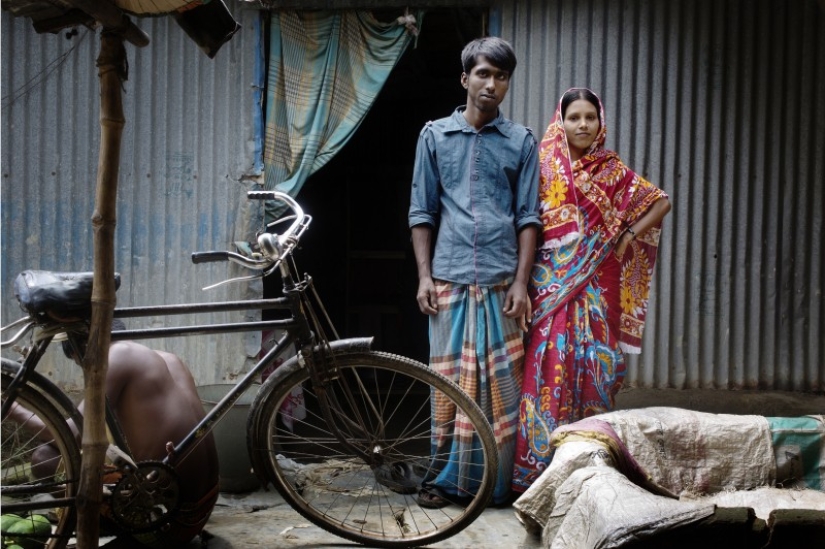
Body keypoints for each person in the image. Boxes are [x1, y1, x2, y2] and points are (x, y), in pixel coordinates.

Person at [511, 88, 672, 492]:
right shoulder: (545, 165)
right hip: (550, 287)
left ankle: (590, 472)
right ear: (560, 121)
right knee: (546, 367)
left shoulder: (612, 170)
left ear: (601, 122)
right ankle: (536, 472)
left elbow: (660, 202)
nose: (582, 125)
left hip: (598, 287)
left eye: (590, 117)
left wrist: (628, 234)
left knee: (594, 371)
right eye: (574, 117)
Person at [408, 36, 540, 508]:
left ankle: (497, 484)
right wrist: (424, 276)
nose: (491, 84)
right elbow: (421, 212)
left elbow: (529, 218)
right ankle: (444, 481)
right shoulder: (434, 136)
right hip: (449, 278)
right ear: (465, 78)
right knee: (447, 385)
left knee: (502, 392)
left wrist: (522, 283)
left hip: (504, 283)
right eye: (483, 74)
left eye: (500, 76)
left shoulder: (521, 141)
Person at [10, 321, 220, 548]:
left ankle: (91, 522)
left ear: (81, 349)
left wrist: (13, 409)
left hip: (166, 526)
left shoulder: (116, 357)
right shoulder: (166, 358)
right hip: (200, 512)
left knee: (44, 458)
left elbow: (70, 434)